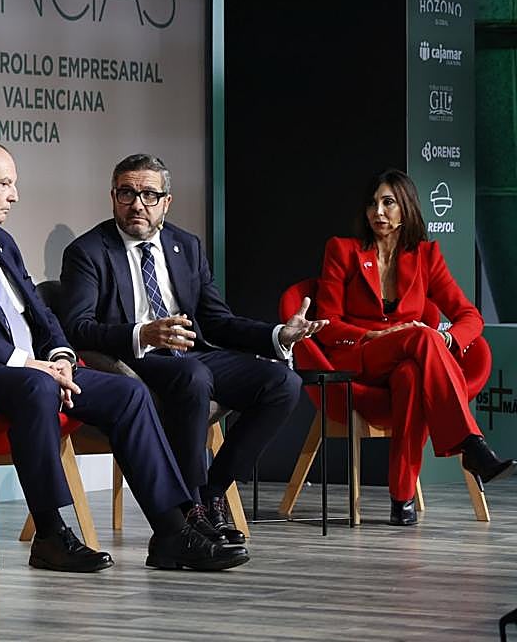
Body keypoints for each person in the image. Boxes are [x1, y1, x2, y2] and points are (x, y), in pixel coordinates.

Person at [0, 138, 249, 573]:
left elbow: (40, 311)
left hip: (34, 366)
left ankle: (171, 530)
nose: (14, 195)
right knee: (35, 385)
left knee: (128, 396)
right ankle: (52, 534)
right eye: (4, 183)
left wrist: (60, 354)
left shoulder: (0, 241)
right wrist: (22, 360)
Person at [58, 153, 323, 543]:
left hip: (192, 353)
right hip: (136, 359)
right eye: (126, 193)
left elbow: (217, 320)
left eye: (149, 195)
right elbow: (77, 327)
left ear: (167, 201)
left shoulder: (186, 246)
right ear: (113, 196)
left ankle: (213, 491)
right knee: (192, 376)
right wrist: (142, 334)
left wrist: (278, 335)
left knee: (282, 383)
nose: (137, 205)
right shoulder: (89, 251)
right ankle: (189, 505)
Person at [314, 168, 515, 525]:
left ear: (405, 208)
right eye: (372, 204)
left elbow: (470, 316)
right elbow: (327, 322)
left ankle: (401, 499)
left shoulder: (426, 256)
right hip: (360, 356)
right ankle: (471, 444)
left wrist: (448, 337)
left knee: (411, 374)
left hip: (406, 358)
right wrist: (370, 336)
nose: (378, 211)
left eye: (388, 202)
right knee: (422, 335)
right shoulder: (342, 251)